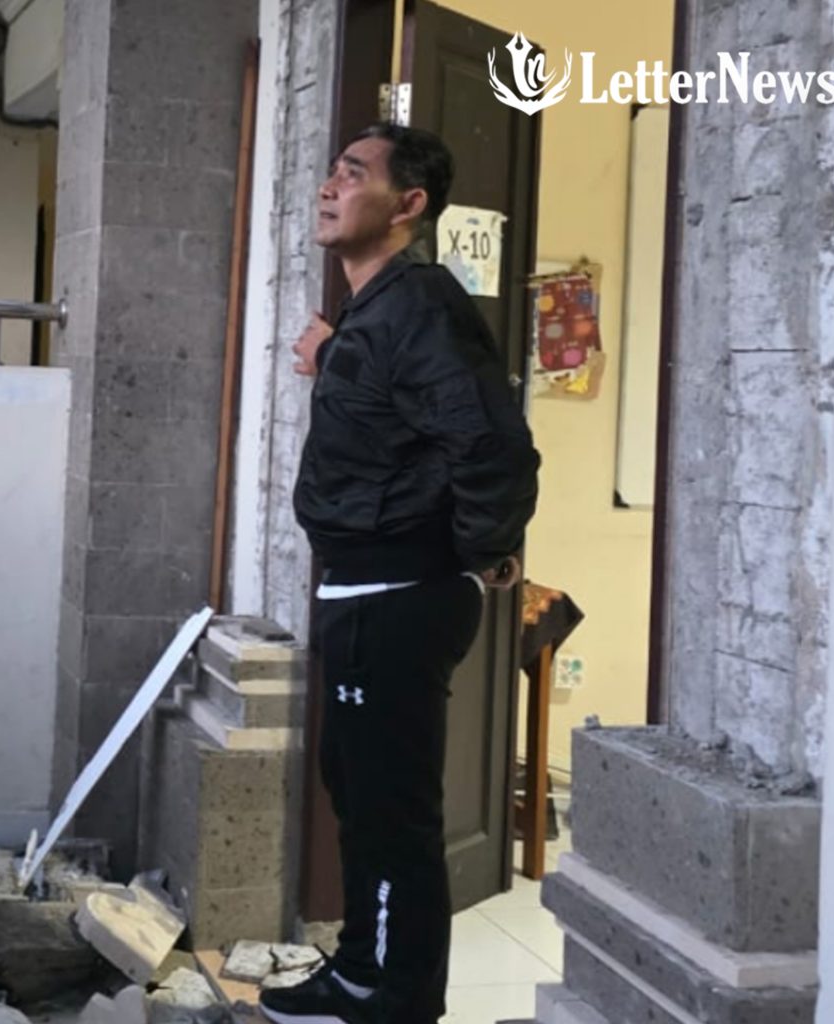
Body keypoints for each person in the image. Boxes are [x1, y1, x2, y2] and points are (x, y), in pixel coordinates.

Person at [259, 123, 540, 1024]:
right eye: (331, 172)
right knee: (363, 796)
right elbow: (399, 411)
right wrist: (332, 354)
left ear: (408, 204)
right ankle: (361, 971)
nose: (328, 187)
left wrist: (483, 550)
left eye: (353, 174)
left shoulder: (419, 303)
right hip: (365, 590)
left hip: (398, 594)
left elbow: (492, 444)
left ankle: (393, 999)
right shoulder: (378, 313)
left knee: (391, 808)